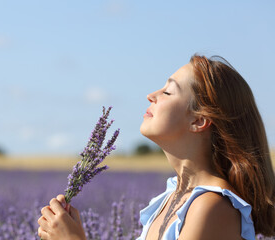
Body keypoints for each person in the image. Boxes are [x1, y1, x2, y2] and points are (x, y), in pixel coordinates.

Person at [37, 54, 275, 240]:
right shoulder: (172, 197)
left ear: (198, 121)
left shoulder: (211, 206)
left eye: (168, 91)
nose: (151, 95)